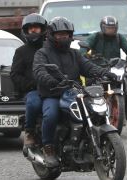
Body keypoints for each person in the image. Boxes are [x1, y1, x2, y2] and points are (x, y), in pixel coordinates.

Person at [33, 16, 117, 168]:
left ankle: (85, 142)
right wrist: (52, 81)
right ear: (51, 35)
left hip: (74, 92)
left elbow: (88, 67)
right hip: (52, 93)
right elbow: (39, 71)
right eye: (59, 34)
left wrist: (104, 72)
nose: (63, 37)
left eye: (66, 34)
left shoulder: (74, 53)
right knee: (50, 115)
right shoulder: (42, 53)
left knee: (91, 110)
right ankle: (48, 149)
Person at [10, 13, 47, 150]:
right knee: (33, 103)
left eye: (36, 28)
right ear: (25, 31)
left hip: (52, 88)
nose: (33, 31)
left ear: (42, 30)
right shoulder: (21, 51)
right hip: (32, 91)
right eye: (30, 28)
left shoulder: (50, 48)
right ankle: (29, 132)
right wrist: (32, 84)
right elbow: (15, 74)